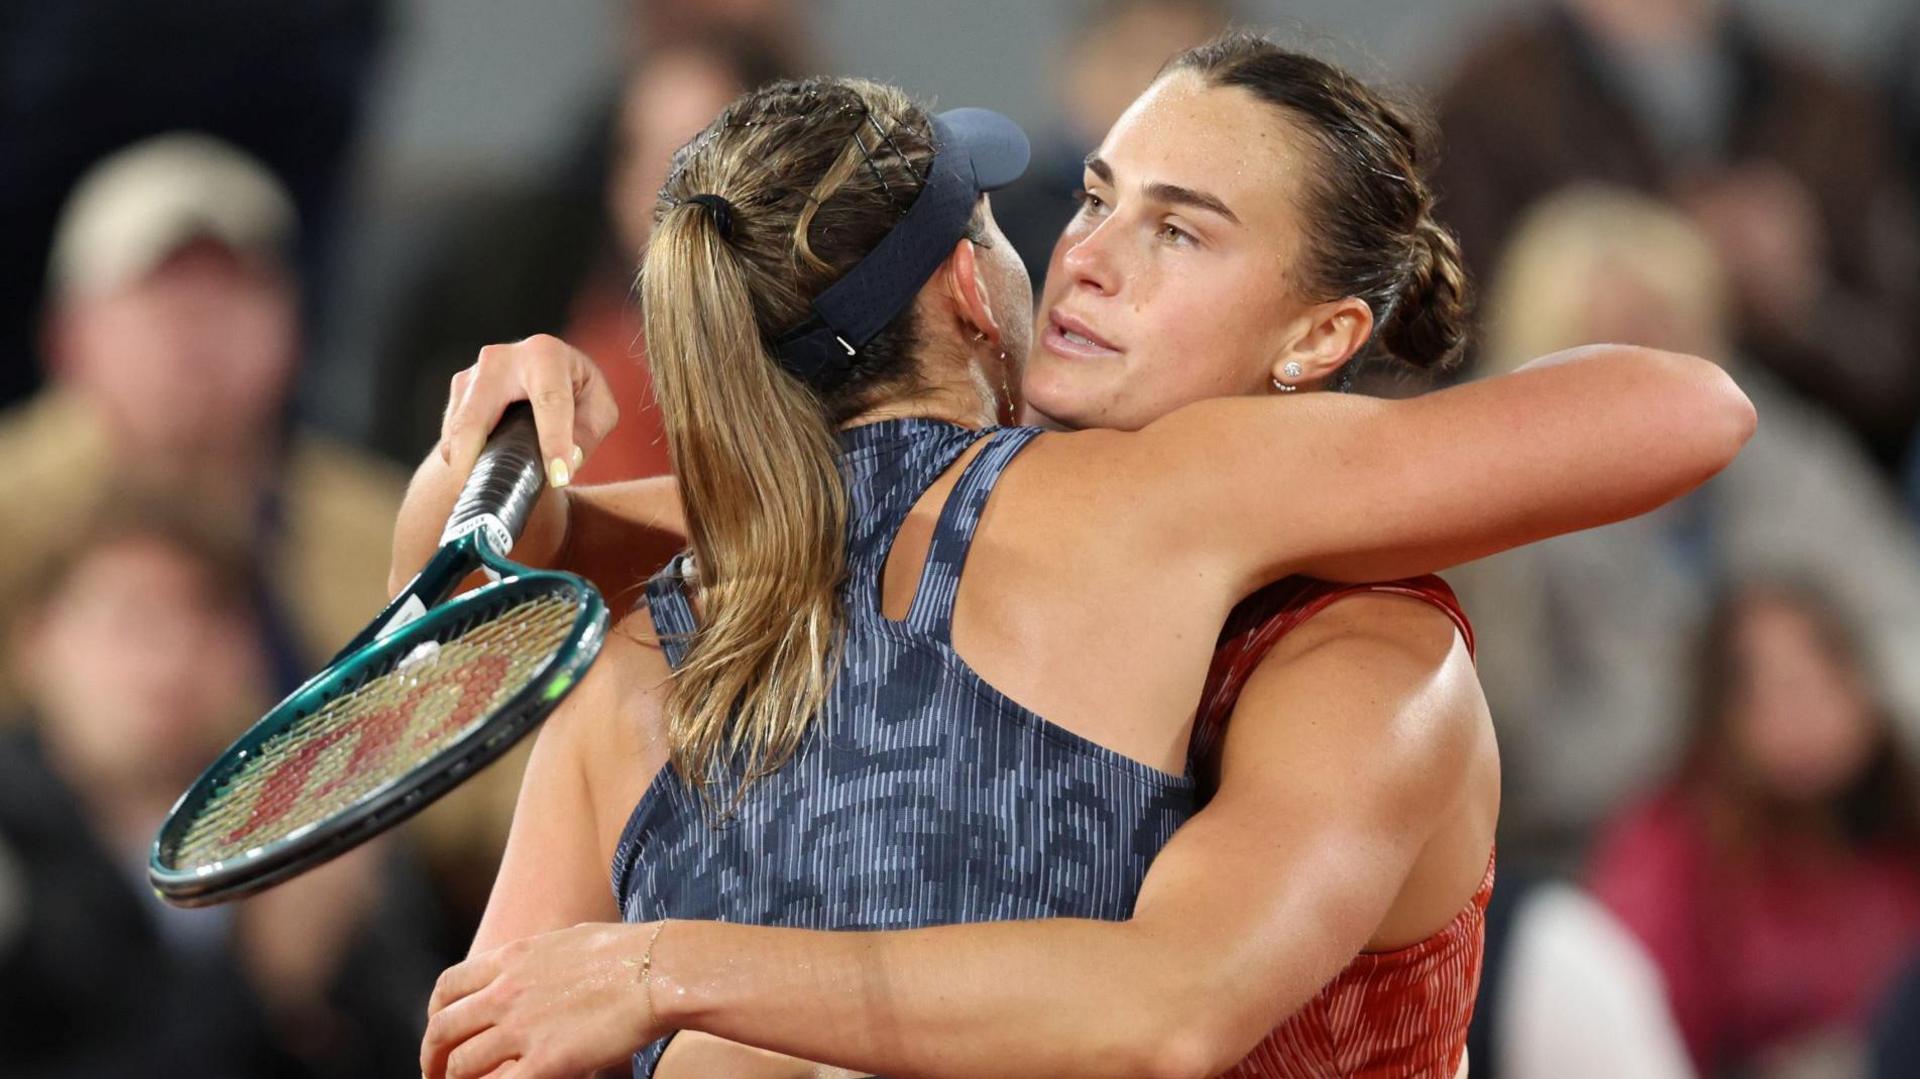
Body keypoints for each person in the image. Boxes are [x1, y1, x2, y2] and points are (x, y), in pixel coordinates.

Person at [410, 53, 1750, 1079]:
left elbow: (1167, 1004)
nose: (1091, 258)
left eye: (1181, 230)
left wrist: (669, 973)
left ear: (1319, 335)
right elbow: (470, 579)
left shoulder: (1367, 649)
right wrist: (494, 438)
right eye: (1098, 196)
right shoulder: (865, 533)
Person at [1447, 184, 1920, 862]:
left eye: (1666, 325)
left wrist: (1846, 705)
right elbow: (1508, 755)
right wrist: (1713, 726)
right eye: (1605, 338)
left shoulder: (1788, 460)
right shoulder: (1489, 518)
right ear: (1544, 357)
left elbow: (1903, 626)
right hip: (1594, 861)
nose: (1644, 359)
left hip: (1829, 836)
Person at [0, 501, 441, 1077]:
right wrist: (261, 980)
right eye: (131, 620)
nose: (170, 659)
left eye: (207, 619)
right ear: (35, 642)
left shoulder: (318, 820)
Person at [1433, 0, 1919, 472]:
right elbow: (1432, 351)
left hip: (1775, 473)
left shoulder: (1824, 107)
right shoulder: (1487, 104)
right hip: (1552, 470)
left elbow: (1894, 372)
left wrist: (1801, 303)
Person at [1588, 580, 1920, 1076]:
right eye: (1776, 688)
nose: (1804, 712)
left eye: (1823, 678)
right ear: (1719, 711)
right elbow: (1626, 1034)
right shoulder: (1670, 852)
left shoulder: (1898, 820)